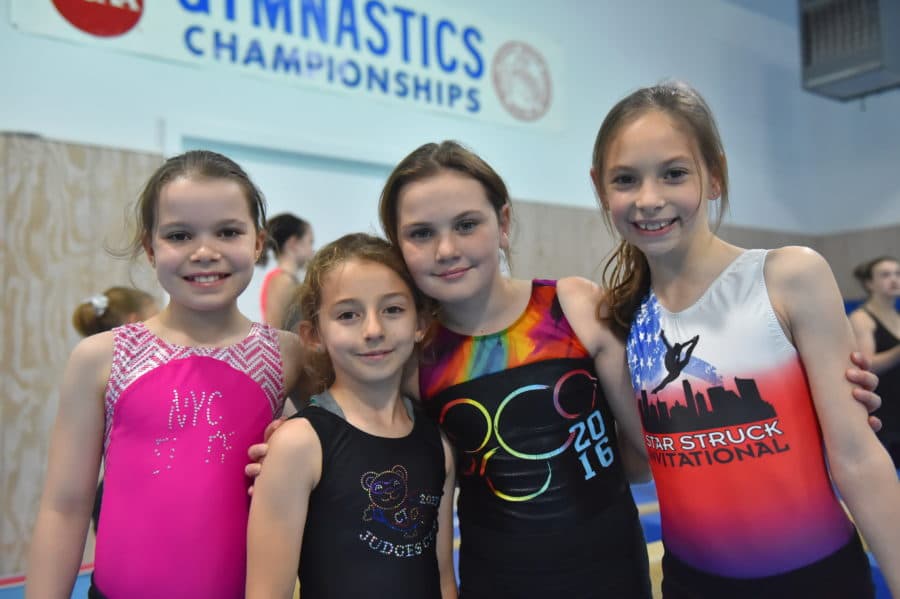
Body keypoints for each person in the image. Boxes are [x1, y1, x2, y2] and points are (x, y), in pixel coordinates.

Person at [249, 141, 883, 598]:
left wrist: (810, 374)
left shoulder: (573, 305)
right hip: (501, 577)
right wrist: (280, 428)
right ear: (397, 242)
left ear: (502, 224)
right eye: (420, 233)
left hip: (612, 567)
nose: (445, 249)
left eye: (466, 224)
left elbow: (660, 417)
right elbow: (319, 380)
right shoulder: (416, 350)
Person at [590, 81, 900, 598]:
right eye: (626, 179)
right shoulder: (622, 317)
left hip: (817, 579)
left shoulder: (788, 277)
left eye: (673, 173)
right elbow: (641, 460)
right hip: (693, 584)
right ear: (601, 188)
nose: (649, 199)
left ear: (714, 176)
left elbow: (857, 456)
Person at [27, 150, 303, 599]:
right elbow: (64, 506)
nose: (205, 251)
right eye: (180, 235)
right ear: (151, 247)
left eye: (228, 231)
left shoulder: (286, 356)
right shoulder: (102, 357)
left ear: (257, 242)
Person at [246, 233, 457, 598]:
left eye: (392, 309)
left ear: (420, 323)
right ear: (314, 335)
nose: (373, 330)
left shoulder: (438, 445)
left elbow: (442, 579)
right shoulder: (299, 445)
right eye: (348, 315)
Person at [72, 286, 160, 534]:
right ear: (135, 323)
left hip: (110, 492)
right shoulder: (147, 379)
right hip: (137, 496)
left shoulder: (95, 374)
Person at [850, 256, 900, 468]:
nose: (894, 279)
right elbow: (867, 366)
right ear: (869, 283)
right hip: (883, 410)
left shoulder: (896, 315)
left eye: (897, 273)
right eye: (885, 275)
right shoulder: (862, 318)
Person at [258, 213, 314, 329]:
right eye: (310, 242)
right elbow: (274, 333)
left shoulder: (287, 279)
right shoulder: (282, 281)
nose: (312, 250)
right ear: (293, 244)